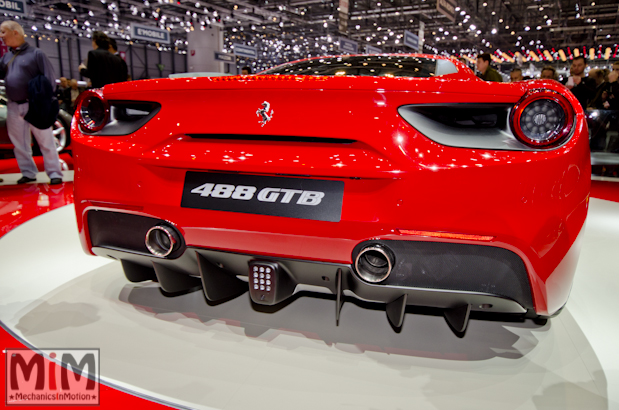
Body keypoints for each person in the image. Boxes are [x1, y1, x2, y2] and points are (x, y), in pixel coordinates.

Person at [0, 20, 63, 185]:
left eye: (3, 32)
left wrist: (47, 103)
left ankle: (55, 173)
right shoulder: (6, 57)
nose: (1, 37)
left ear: (16, 32)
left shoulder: (37, 54)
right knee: (19, 143)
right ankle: (28, 172)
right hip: (13, 105)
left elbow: (49, 78)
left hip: (35, 104)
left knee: (46, 140)